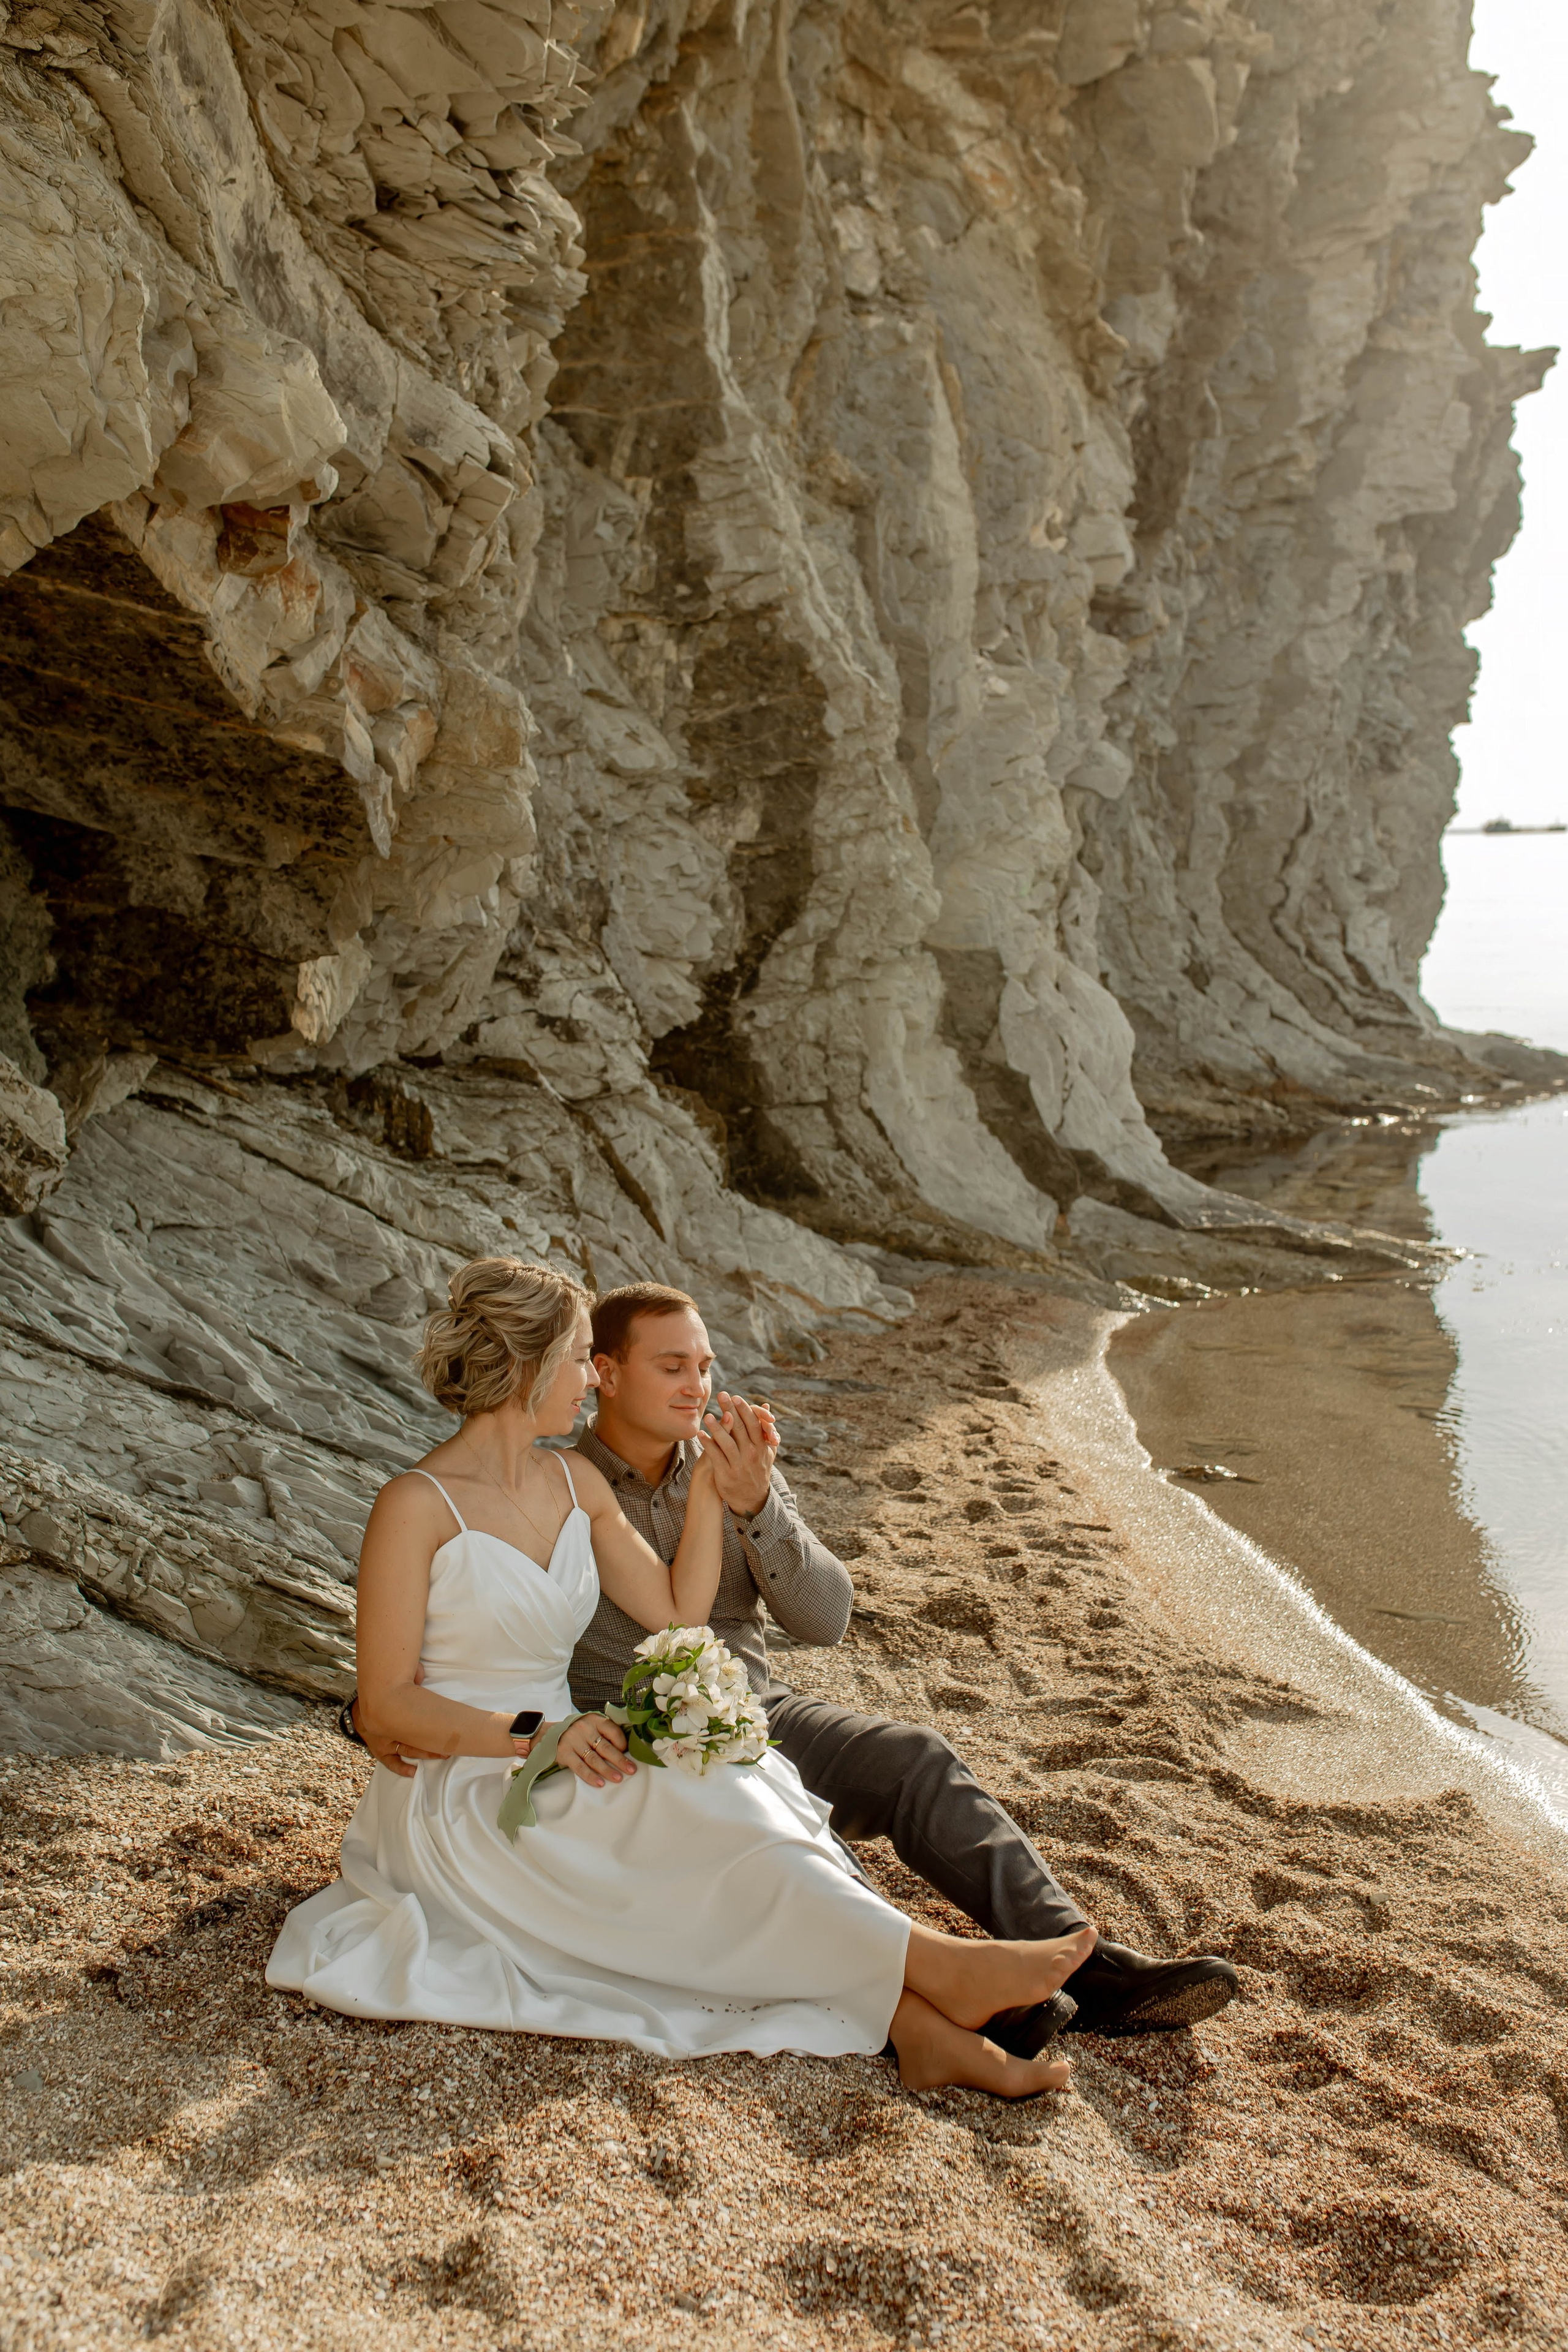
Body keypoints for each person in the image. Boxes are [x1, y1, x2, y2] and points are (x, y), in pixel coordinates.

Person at [273, 1256, 1095, 2095]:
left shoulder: (572, 1482)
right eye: (578, 1359)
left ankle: (923, 2029)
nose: (588, 1378)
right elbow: (387, 1703)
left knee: (731, 1801)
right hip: (473, 1786)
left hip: (580, 1749)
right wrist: (536, 1736)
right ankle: (938, 1976)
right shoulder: (413, 1504)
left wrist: (713, 1489)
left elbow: (677, 1613)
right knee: (709, 1831)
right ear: (528, 1366)